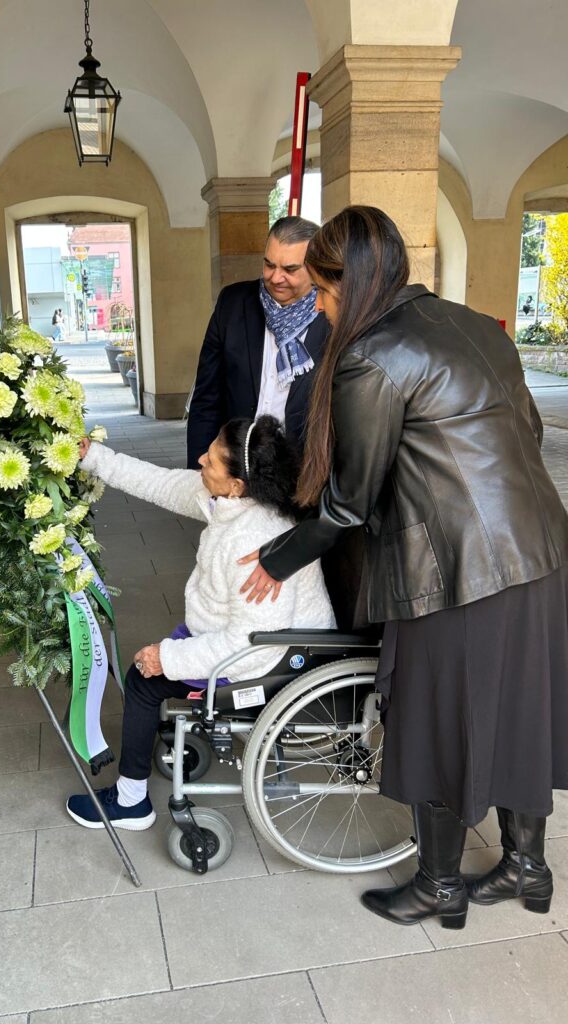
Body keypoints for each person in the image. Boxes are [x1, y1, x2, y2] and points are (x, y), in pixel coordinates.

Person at [239, 205, 568, 929]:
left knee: (438, 717)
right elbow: (531, 429)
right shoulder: (477, 325)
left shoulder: (372, 355)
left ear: (350, 282)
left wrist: (276, 558)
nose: (319, 308)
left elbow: (349, 503)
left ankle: (441, 886)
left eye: (323, 292)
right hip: (542, 549)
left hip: (459, 569)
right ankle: (528, 867)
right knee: (520, 710)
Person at [65, 415, 335, 830]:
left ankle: (131, 802)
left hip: (271, 661)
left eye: (211, 460)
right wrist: (93, 457)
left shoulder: (252, 541)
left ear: (237, 484)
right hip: (242, 637)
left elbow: (251, 646)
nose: (200, 461)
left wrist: (168, 658)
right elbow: (159, 482)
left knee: (143, 680)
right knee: (154, 667)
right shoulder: (234, 501)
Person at [186, 216, 329, 469]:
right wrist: (199, 471)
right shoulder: (232, 304)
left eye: (290, 269)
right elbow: (206, 399)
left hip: (302, 473)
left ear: (315, 268)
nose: (275, 277)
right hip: (236, 470)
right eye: (269, 264)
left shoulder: (332, 316)